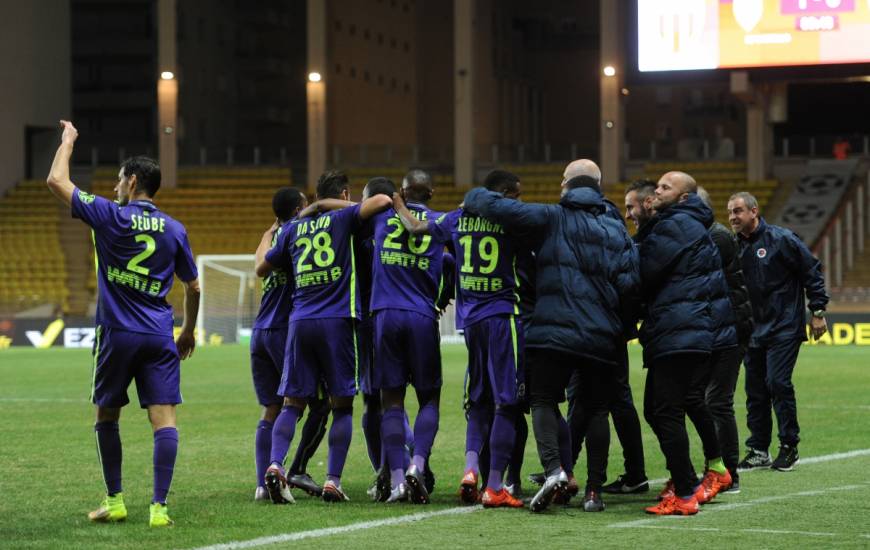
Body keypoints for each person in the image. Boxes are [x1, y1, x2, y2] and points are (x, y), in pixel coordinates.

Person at [462, 159, 639, 513]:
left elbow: (493, 205)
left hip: (553, 332)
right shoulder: (616, 227)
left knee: (543, 399)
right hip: (602, 333)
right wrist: (621, 324)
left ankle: (555, 471)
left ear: (569, 187)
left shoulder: (550, 217)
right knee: (598, 410)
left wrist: (473, 192)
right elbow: (631, 283)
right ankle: (593, 492)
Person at [46, 121, 199, 527]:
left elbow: (55, 180)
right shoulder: (175, 228)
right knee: (164, 420)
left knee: (106, 416)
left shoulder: (109, 215)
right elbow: (194, 286)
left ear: (132, 182)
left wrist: (68, 141)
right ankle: (159, 509)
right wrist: (188, 330)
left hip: (117, 333)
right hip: (158, 334)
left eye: (118, 180)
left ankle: (115, 501)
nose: (115, 186)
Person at [255, 171, 392, 503]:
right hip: (339, 321)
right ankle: (333, 480)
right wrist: (324, 206)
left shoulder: (292, 229)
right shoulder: (343, 218)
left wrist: (301, 217)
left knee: (291, 403)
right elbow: (382, 200)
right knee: (341, 406)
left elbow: (262, 268)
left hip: (299, 322)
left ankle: (275, 467)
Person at [394, 169, 527, 509]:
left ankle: (470, 470)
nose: (519, 201)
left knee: (478, 401)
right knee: (507, 403)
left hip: (471, 324)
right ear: (505, 194)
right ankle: (495, 485)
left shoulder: (457, 218)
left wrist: (397, 201)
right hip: (503, 316)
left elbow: (415, 227)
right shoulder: (514, 221)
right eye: (516, 195)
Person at [635, 171, 733, 516]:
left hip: (679, 330)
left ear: (684, 198)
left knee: (666, 410)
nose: (657, 191)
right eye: (658, 185)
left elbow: (644, 272)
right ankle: (689, 479)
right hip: (686, 330)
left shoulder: (677, 226)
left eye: (665, 187)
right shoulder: (685, 224)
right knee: (660, 409)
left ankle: (687, 493)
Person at [727, 192, 828, 472]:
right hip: (752, 330)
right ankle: (759, 449)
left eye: (737, 211)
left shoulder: (782, 239)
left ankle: (789, 446)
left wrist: (817, 311)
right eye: (730, 213)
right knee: (755, 390)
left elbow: (812, 272)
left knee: (778, 383)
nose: (733, 217)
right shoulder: (734, 247)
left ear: (754, 212)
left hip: (784, 326)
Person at [250, 187, 311, 501]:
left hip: (259, 330)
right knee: (296, 403)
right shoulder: (299, 234)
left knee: (270, 408)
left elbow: (259, 266)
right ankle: (283, 469)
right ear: (300, 206)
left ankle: (263, 484)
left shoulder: (273, 237)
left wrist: (267, 231)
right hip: (285, 330)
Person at [697, 187, 753, 492]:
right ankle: (718, 468)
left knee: (717, 401)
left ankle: (728, 471)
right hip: (718, 326)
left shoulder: (715, 237)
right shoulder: (713, 234)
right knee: (709, 400)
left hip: (729, 328)